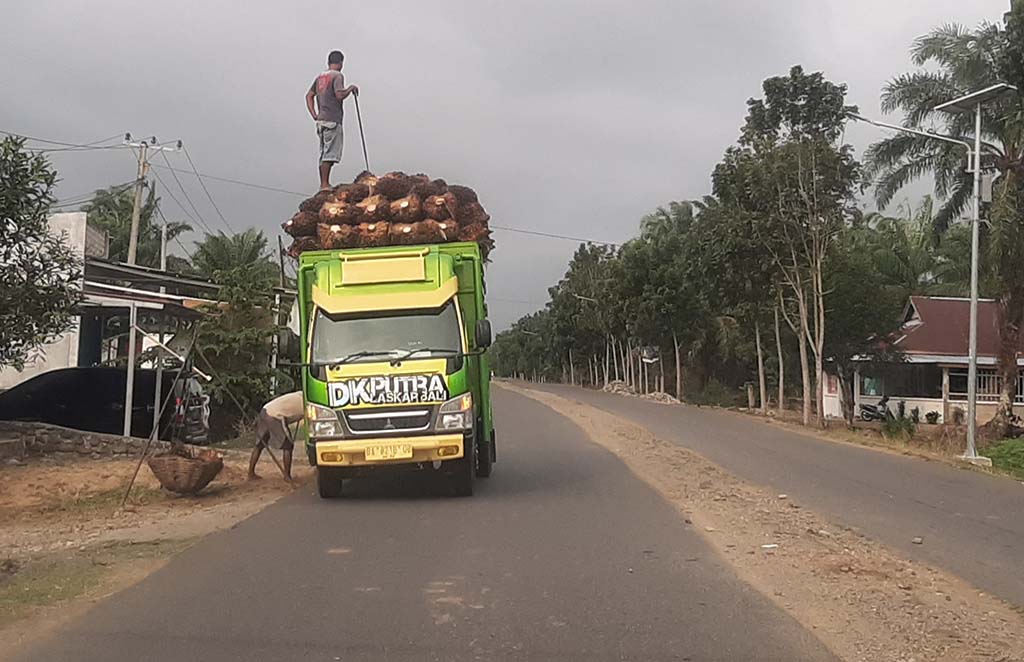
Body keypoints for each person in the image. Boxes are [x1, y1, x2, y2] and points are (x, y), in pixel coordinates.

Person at [305, 50, 359, 191]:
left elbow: (309, 95)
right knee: (330, 153)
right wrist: (350, 89)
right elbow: (339, 95)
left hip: (321, 120)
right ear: (341, 63)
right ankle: (325, 184)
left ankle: (324, 183)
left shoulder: (320, 77)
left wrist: (314, 114)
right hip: (332, 120)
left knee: (324, 152)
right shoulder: (337, 76)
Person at [248, 391, 304, 482]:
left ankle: (250, 473)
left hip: (265, 410)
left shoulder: (299, 394)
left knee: (260, 445)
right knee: (288, 446)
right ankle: (287, 476)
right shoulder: (308, 403)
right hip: (275, 416)